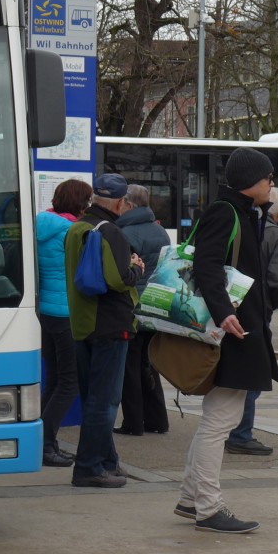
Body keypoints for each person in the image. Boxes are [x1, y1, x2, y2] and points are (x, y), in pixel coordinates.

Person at [176, 146, 278, 534]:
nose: (272, 183)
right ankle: (208, 506)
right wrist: (224, 313)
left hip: (238, 331)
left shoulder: (243, 211)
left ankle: (191, 499)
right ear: (252, 181)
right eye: (269, 177)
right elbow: (205, 263)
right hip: (233, 332)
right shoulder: (227, 211)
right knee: (219, 422)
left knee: (219, 419)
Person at [63, 172, 144, 489]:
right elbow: (118, 280)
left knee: (94, 397)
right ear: (122, 202)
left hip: (82, 323)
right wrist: (136, 268)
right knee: (105, 400)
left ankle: (108, 462)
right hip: (109, 324)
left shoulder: (77, 228)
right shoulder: (109, 232)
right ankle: (88, 467)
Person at [226, 185, 278, 456]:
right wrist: (269, 306)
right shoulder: (277, 236)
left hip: (226, 309)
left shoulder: (237, 226)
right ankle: (241, 434)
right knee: (254, 372)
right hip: (256, 312)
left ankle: (229, 428)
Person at [35, 178, 93, 467]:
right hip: (67, 312)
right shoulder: (72, 232)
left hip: (45, 311)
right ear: (80, 204)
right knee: (69, 383)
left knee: (55, 379)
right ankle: (45, 444)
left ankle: (41, 441)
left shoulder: (42, 225)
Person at [114, 184, 171, 435]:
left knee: (130, 365)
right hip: (156, 303)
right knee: (149, 363)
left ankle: (133, 423)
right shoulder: (160, 232)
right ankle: (158, 420)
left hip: (133, 305)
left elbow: (122, 273)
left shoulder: (123, 232)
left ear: (129, 204)